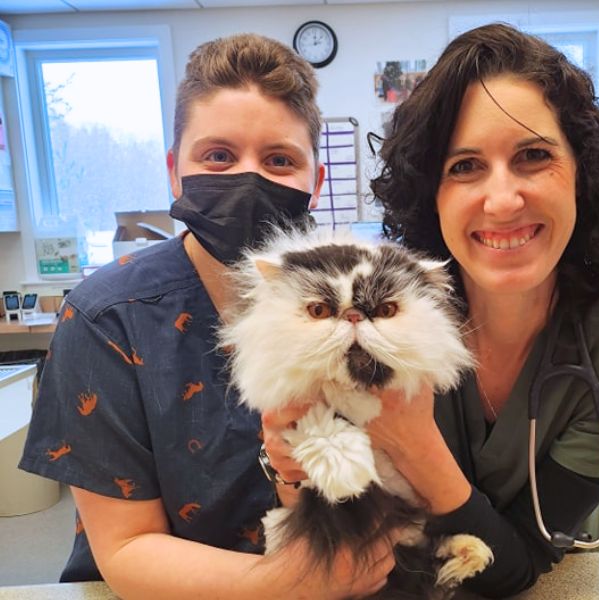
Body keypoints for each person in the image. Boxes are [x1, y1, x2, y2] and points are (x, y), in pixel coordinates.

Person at [268, 22, 599, 599]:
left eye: (534, 156)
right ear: (429, 194)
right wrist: (292, 468)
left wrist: (412, 438)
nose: (503, 200)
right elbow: (331, 512)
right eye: (464, 166)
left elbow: (518, 568)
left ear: (581, 174)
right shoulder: (379, 316)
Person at [19, 34, 395, 599]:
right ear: (175, 172)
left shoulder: (364, 304)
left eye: (278, 160)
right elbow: (125, 550)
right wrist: (297, 582)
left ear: (315, 183)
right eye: (218, 156)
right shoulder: (107, 318)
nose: (247, 180)